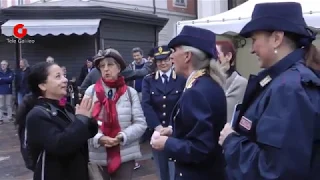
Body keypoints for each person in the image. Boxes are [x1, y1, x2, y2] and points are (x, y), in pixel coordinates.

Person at [219, 2, 320, 179]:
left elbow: (275, 171)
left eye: (254, 40)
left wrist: (231, 141)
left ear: (276, 38)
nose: (251, 49)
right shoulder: (282, 81)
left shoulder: (289, 89)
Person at [151, 26, 227, 180]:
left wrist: (167, 143)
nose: (171, 56)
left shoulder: (196, 91)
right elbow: (204, 131)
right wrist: (175, 131)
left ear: (187, 56)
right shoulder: (208, 83)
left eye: (174, 51)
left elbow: (200, 148)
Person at [15, 62, 98, 180]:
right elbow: (60, 145)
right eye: (58, 76)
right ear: (43, 85)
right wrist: (81, 119)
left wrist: (90, 119)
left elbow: (83, 134)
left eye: (64, 75)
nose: (65, 80)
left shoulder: (67, 108)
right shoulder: (37, 115)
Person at [84, 48, 147, 180]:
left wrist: (121, 136)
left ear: (119, 68)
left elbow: (140, 124)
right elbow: (82, 124)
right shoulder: (91, 92)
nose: (106, 69)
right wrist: (99, 138)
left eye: (110, 64)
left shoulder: (130, 93)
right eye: (102, 66)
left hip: (124, 156)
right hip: (98, 157)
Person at [142, 45, 186, 180]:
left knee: (177, 170)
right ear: (155, 62)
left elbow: (185, 105)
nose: (163, 63)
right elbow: (146, 105)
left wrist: (171, 127)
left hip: (177, 132)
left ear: (171, 59)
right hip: (157, 132)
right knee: (162, 171)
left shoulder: (182, 79)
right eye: (159, 60)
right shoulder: (148, 80)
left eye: (166, 59)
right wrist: (158, 127)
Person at [216, 41, 248, 122]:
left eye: (216, 54)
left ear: (228, 56)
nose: (212, 59)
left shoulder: (241, 83)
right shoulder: (208, 81)